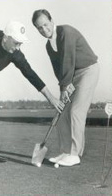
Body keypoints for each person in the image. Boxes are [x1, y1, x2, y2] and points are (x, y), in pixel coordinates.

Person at [0, 21, 64, 168]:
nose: (18, 47)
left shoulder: (15, 53)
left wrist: (51, 98)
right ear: (6, 38)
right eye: (16, 43)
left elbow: (30, 74)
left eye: (21, 44)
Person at [32, 9, 100, 166]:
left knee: (76, 111)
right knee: (62, 113)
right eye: (39, 28)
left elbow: (68, 61)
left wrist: (65, 88)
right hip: (71, 77)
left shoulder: (66, 32)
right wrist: (64, 86)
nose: (44, 30)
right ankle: (65, 152)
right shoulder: (48, 46)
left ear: (52, 20)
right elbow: (59, 70)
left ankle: (75, 155)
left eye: (45, 24)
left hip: (88, 70)